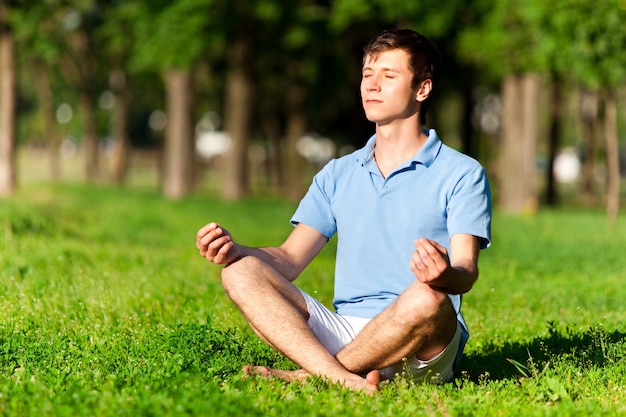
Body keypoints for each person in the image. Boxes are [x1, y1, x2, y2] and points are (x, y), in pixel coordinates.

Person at [196, 28, 492, 393]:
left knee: (428, 297)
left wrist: (444, 274)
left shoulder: (462, 173)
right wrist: (237, 251)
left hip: (421, 344)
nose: (372, 85)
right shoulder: (338, 173)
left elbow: (467, 271)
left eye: (388, 75)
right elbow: (289, 258)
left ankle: (313, 375)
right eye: (368, 75)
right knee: (239, 274)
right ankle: (341, 376)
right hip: (346, 330)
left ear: (422, 89)